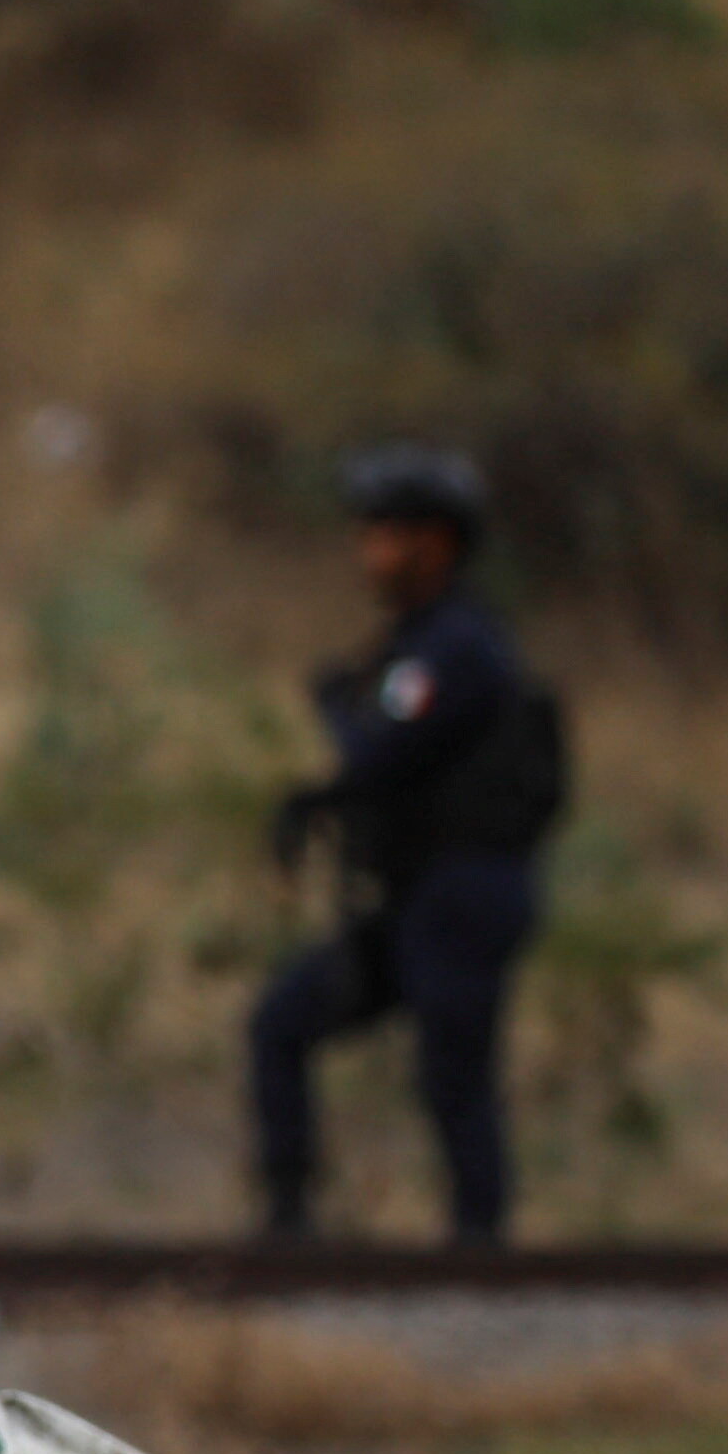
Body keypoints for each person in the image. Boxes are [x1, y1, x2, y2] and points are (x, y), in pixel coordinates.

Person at [248, 441, 569, 1245]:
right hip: (414, 893)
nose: (371, 554)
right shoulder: (416, 642)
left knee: (454, 1070)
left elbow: (380, 749)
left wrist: (333, 709)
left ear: (437, 542)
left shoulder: (456, 645)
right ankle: (289, 1218)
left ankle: (478, 1245)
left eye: (388, 534)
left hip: (465, 891)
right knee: (281, 1023)